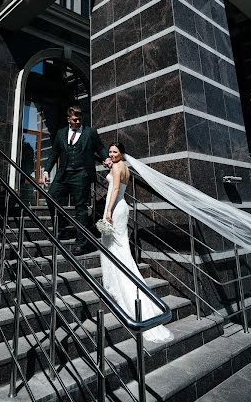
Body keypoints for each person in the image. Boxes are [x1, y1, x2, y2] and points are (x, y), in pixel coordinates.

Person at [100, 142, 174, 343]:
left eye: (115, 152)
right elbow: (118, 179)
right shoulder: (125, 168)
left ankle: (119, 283)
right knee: (121, 246)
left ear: (122, 153)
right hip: (124, 207)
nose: (112, 154)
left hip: (115, 207)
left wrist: (107, 212)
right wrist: (109, 164)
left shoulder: (117, 167)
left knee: (116, 247)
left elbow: (115, 188)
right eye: (110, 152)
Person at [42, 105, 111, 255]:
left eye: (80, 119)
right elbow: (54, 152)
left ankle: (81, 243)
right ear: (69, 119)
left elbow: (100, 147)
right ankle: (61, 226)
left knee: (80, 208)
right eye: (75, 119)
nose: (78, 121)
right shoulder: (61, 133)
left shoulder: (90, 132)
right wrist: (46, 170)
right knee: (51, 196)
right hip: (64, 174)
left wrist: (106, 158)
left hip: (82, 174)